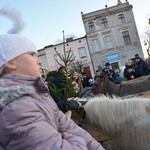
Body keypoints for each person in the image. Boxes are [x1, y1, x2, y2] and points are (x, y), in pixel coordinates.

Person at [0, 34, 104, 150]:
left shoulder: (39, 96)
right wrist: (74, 140)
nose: (39, 61)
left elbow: (71, 128)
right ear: (10, 62)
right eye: (32, 55)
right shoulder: (16, 108)